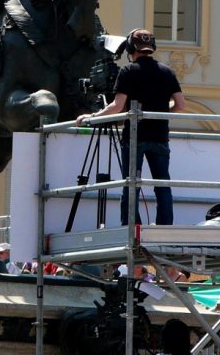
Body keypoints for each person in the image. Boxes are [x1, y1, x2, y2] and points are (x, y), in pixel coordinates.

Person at [76, 29, 186, 225]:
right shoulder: (168, 72)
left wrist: (91, 116)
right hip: (160, 137)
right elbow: (180, 105)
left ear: (129, 47)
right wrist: (158, 109)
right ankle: (165, 227)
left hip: (135, 138)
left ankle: (132, 226)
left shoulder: (128, 71)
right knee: (162, 184)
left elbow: (117, 107)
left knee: (131, 184)